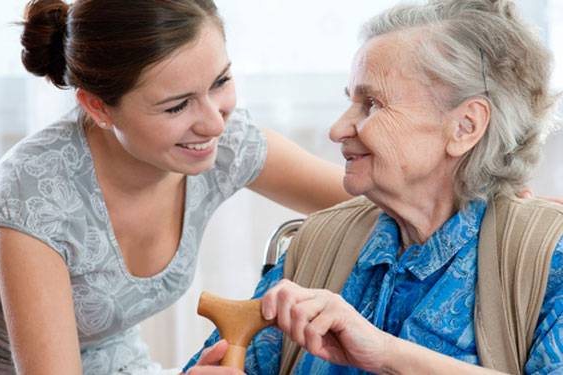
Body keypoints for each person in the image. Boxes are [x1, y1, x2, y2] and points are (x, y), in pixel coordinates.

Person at [0, 1, 353, 374]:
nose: (214, 124)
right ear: (97, 107)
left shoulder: (224, 143)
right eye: (176, 106)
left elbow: (372, 197)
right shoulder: (33, 193)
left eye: (220, 81)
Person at [185, 0, 563, 374]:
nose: (336, 130)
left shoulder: (547, 255)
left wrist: (384, 353)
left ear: (465, 127)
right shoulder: (321, 243)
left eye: (372, 104)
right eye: (351, 101)